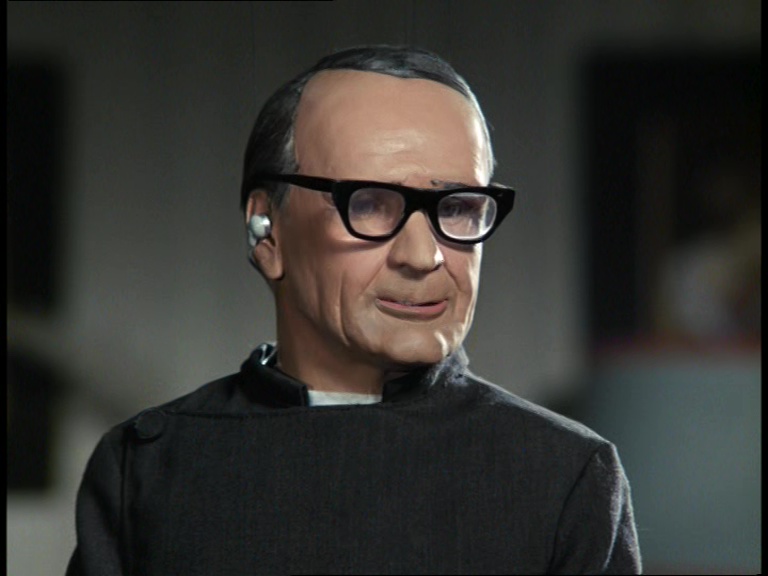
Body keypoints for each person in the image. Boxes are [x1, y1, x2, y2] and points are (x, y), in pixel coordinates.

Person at [66, 45, 642, 575]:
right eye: (369, 204)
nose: (423, 256)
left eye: (459, 207)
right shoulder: (145, 470)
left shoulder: (563, 477)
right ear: (267, 231)